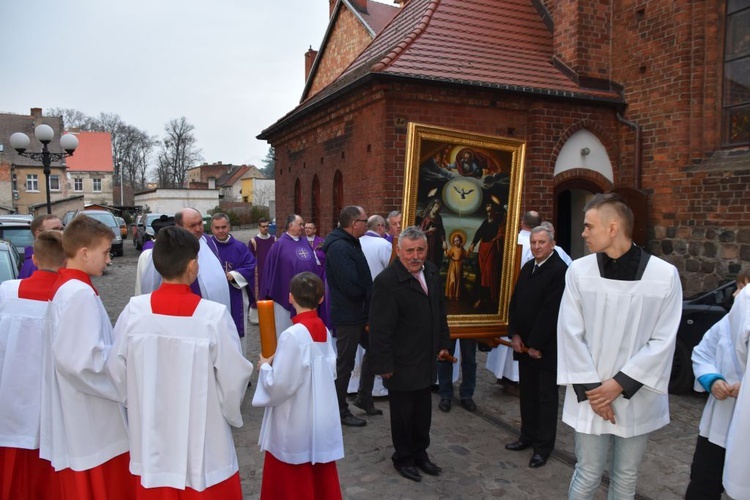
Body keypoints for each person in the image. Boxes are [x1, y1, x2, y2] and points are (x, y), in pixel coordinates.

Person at [107, 225, 253, 498]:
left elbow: (116, 370)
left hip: (151, 434)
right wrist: (227, 411)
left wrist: (139, 401)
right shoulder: (214, 316)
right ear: (193, 266)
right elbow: (234, 379)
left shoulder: (133, 312)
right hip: (204, 436)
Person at [557, 193, 682, 499]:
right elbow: (569, 332)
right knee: (587, 472)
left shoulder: (664, 276)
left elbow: (663, 340)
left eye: (589, 226)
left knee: (625, 476)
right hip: (591, 394)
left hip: (635, 394)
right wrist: (595, 392)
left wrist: (619, 385)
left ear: (612, 228)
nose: (583, 233)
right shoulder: (578, 271)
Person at [40, 215, 134, 498]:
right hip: (90, 415)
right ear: (83, 253)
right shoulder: (78, 293)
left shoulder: (70, 288)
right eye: (105, 252)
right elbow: (80, 362)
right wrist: (126, 367)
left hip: (81, 407)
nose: (109, 259)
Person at [369, 226, 451, 482]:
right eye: (410, 251)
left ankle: (420, 453)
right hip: (401, 362)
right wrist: (384, 364)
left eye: (420, 250)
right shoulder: (386, 282)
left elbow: (440, 311)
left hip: (426, 358)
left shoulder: (433, 272)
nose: (415, 256)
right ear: (398, 251)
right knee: (403, 415)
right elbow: (380, 329)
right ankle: (403, 457)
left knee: (423, 412)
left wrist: (443, 343)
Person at [252, 272, 343, 499]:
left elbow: (281, 385)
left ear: (290, 298)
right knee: (317, 471)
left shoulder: (293, 335)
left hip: (295, 418)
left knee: (293, 472)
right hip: (317, 412)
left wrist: (265, 367)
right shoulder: (322, 329)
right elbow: (329, 370)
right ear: (321, 299)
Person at [0, 231, 66, 499]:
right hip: (55, 401)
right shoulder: (73, 296)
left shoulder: (6, 292)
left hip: (12, 395)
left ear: (35, 260)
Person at [504, 226, 567, 469]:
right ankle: (526, 436)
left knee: (544, 398)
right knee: (527, 394)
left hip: (545, 348)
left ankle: (543, 447)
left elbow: (551, 311)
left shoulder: (559, 270)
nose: (537, 246)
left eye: (541, 242)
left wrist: (536, 345)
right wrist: (515, 334)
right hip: (525, 345)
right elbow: (516, 301)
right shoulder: (528, 267)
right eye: (534, 242)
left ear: (552, 244)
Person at [684, 269, 749, 499]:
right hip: (719, 421)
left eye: (742, 289)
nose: (735, 295)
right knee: (703, 481)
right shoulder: (725, 324)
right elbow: (702, 353)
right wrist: (712, 379)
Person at [321, 206, 378, 427]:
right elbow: (349, 284)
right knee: (345, 362)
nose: (367, 224)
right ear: (354, 223)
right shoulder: (339, 247)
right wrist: (368, 293)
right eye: (364, 220)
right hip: (349, 314)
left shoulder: (350, 243)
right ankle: (339, 409)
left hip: (360, 311)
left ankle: (364, 396)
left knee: (375, 348)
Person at [136, 208, 230, 313]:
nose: (198, 229)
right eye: (192, 225)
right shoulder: (166, 248)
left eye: (200, 223)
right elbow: (150, 282)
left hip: (216, 309)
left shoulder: (208, 241)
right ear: (179, 226)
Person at [352, 215, 393, 399]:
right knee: (377, 345)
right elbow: (393, 272)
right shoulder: (384, 245)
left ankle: (358, 388)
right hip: (380, 302)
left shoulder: (355, 243)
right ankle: (376, 388)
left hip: (357, 303)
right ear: (380, 227)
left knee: (363, 348)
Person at [260, 214, 323, 335]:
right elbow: (269, 270)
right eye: (300, 224)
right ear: (290, 226)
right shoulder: (279, 246)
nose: (302, 227)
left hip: (307, 297)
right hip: (285, 297)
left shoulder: (304, 242)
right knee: (287, 332)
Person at [209, 213, 257, 357]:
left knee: (237, 332)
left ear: (229, 227)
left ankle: (240, 372)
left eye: (224, 227)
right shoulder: (207, 248)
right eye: (217, 228)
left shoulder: (240, 247)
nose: (221, 230)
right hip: (213, 295)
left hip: (235, 293)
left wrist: (235, 274)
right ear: (212, 229)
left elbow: (251, 264)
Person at [468, 201, 506, 309]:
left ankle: (489, 297)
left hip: (492, 247)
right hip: (483, 247)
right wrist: (473, 244)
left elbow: (502, 232)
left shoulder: (499, 220)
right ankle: (480, 298)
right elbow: (479, 232)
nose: (488, 206)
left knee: (488, 271)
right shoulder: (486, 221)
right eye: (487, 205)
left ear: (493, 208)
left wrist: (496, 238)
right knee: (480, 271)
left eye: (489, 205)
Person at [248, 217, 276, 325]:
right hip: (258, 272)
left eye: (267, 226)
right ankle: (256, 317)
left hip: (271, 270)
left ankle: (270, 314)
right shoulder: (254, 241)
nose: (265, 228)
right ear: (259, 227)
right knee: (258, 293)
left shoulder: (274, 240)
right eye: (263, 226)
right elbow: (250, 258)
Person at [18, 214, 64, 278]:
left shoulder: (52, 257)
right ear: (38, 234)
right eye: (55, 229)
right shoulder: (38, 264)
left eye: (62, 229)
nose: (61, 232)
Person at [416, 198, 446, 269]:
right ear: (432, 206)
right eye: (436, 206)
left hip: (435, 243)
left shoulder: (438, 217)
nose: (437, 209)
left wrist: (444, 241)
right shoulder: (423, 215)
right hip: (424, 242)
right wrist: (429, 231)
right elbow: (417, 231)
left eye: (439, 207)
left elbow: (441, 230)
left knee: (434, 260)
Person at [444, 232, 468, 300]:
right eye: (455, 241)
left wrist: (470, 250)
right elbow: (448, 255)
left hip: (459, 265)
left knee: (458, 280)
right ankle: (450, 294)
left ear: (460, 241)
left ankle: (456, 295)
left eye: (457, 240)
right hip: (453, 265)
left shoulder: (462, 248)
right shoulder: (452, 248)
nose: (456, 242)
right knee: (452, 280)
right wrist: (445, 249)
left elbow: (466, 255)